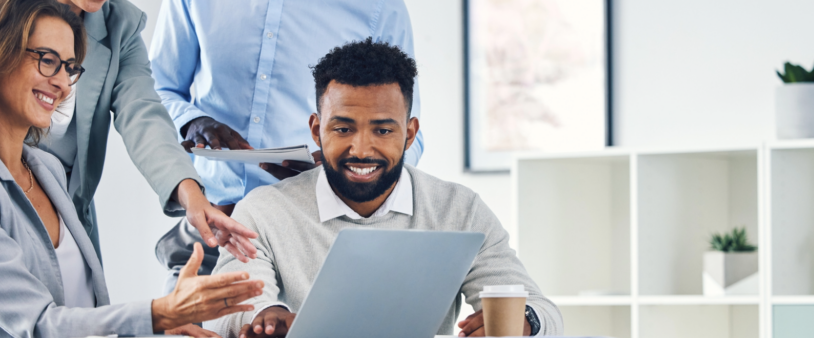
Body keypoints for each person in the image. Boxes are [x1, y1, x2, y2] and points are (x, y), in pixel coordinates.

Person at [0, 0, 260, 326]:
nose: (61, 84)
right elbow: (39, 324)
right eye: (46, 61)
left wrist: (192, 198)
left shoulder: (50, 173)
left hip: (54, 203)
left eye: (70, 68)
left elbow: (143, 113)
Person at [204, 39, 564, 338]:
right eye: (343, 129)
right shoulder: (265, 210)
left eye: (383, 130)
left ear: (409, 133)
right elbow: (224, 312)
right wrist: (267, 315)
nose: (361, 149)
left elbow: (543, 310)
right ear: (316, 130)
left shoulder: (460, 208)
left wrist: (527, 321)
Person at [149, 0, 426, 294]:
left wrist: (341, 171)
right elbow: (156, 87)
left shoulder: (380, 7)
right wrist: (192, 121)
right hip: (212, 231)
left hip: (310, 244)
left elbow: (407, 136)